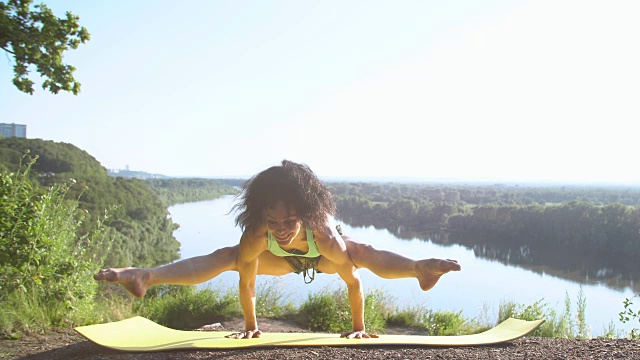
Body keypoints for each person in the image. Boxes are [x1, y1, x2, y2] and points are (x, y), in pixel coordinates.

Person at [94, 160, 461, 339]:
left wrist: (359, 327)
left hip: (323, 259)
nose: (281, 230)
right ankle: (146, 275)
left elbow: (352, 280)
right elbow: (248, 280)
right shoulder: (258, 233)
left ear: (304, 214)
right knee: (230, 258)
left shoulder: (324, 235)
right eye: (274, 223)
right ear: (263, 216)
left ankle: (419, 269)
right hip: (283, 264)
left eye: (289, 222)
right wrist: (252, 327)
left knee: (360, 251)